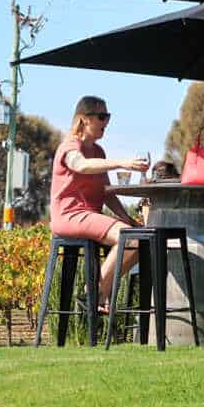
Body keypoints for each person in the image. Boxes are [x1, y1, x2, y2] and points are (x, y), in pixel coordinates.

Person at [50, 95, 149, 312]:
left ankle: (98, 292)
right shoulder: (69, 146)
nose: (107, 122)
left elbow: (106, 193)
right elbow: (82, 165)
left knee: (138, 237)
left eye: (108, 116)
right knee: (130, 238)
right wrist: (121, 163)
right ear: (84, 119)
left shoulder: (98, 152)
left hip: (88, 216)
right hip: (69, 216)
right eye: (102, 116)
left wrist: (128, 219)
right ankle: (93, 292)